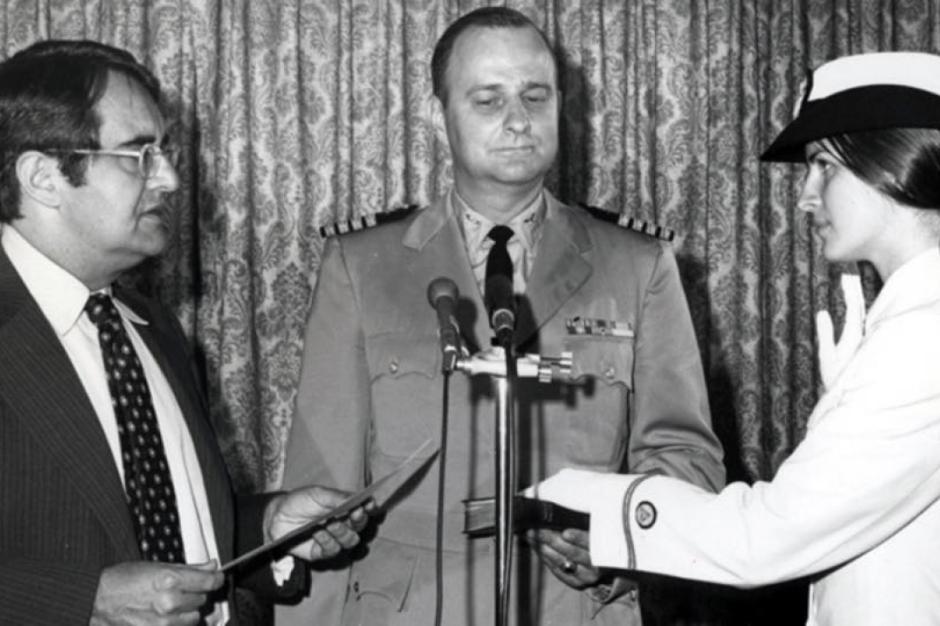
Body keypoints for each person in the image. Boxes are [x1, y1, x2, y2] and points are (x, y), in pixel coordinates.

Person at [279, 6, 725, 625]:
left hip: (575, 607)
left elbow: (683, 456)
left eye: (535, 96)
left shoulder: (637, 265)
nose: (518, 120)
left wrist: (620, 549)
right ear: (440, 119)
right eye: (488, 100)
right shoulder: (363, 266)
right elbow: (319, 497)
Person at [527, 51, 940, 626]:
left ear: (889, 161)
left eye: (824, 165)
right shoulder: (909, 322)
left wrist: (591, 496)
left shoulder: (922, 335)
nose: (805, 196)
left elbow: (763, 539)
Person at [0, 40, 374, 625]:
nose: (171, 179)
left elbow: (169, 523)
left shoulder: (152, 326)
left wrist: (268, 526)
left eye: (164, 151)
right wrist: (86, 601)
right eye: (138, 154)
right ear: (43, 176)